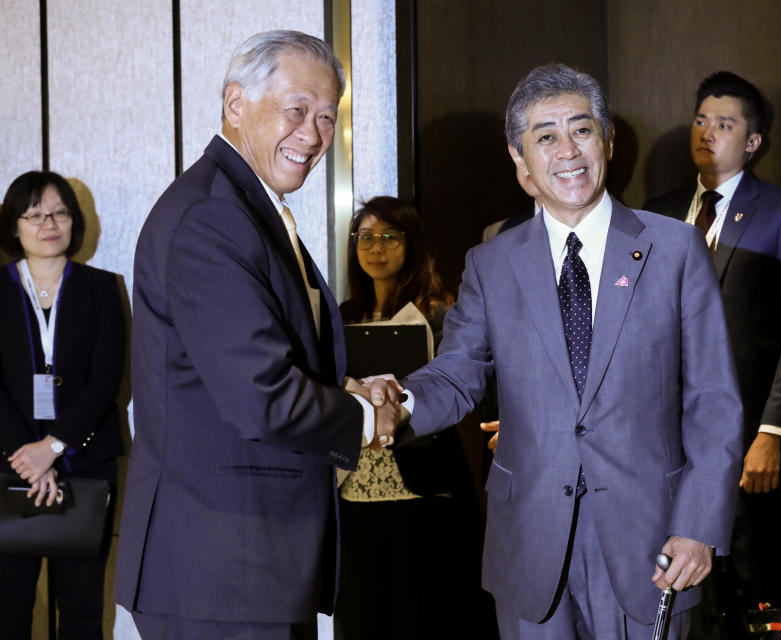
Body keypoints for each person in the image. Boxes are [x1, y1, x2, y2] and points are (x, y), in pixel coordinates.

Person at [370, 63, 743, 639]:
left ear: (608, 141)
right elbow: (457, 372)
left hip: (652, 541)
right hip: (530, 542)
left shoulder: (675, 249)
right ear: (521, 164)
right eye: (545, 136)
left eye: (581, 130)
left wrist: (699, 525)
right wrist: (398, 403)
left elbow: (714, 400)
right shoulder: (491, 262)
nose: (567, 150)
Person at [114, 31, 398, 640]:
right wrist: (366, 418)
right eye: (297, 110)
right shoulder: (212, 215)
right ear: (235, 103)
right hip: (220, 564)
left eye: (327, 118)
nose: (315, 135)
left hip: (242, 564)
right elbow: (261, 393)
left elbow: (247, 362)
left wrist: (340, 385)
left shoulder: (241, 205)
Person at [644, 71, 781, 633]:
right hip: (664, 436)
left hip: (748, 439)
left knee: (748, 584)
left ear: (752, 142)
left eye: (725, 124)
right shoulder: (656, 212)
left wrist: (772, 431)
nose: (707, 132)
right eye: (701, 120)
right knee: (680, 588)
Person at [335, 196, 491, 639]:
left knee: (422, 614)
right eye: (365, 237)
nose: (375, 248)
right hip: (356, 485)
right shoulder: (343, 316)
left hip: (424, 483)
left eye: (388, 237)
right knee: (364, 612)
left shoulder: (441, 312)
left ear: (413, 244)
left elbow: (460, 390)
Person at [0, 171, 126, 639]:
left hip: (86, 462)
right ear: (14, 225)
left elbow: (105, 380)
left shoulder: (102, 288)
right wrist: (28, 456)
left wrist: (52, 448)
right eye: (34, 214)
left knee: (82, 611)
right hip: (8, 464)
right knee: (7, 608)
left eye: (59, 212)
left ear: (74, 221)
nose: (48, 223)